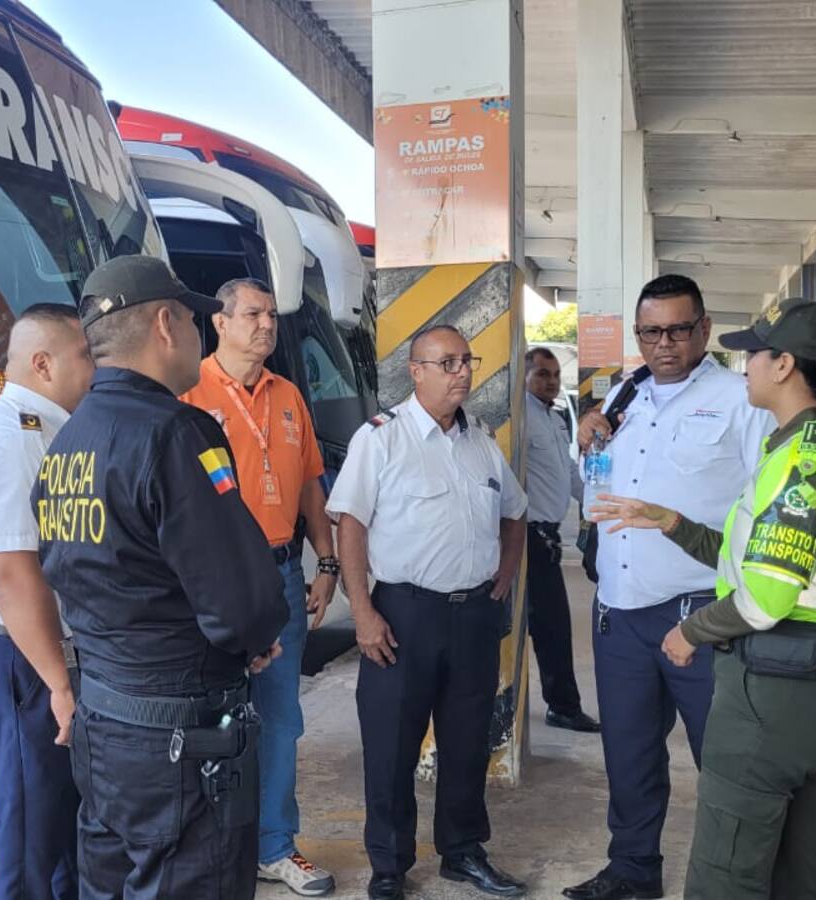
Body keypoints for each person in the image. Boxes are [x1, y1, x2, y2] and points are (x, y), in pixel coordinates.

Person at [590, 298, 816, 900]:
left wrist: (689, 631)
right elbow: (750, 558)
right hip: (810, 676)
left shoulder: (803, 462)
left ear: (783, 366)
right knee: (800, 870)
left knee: (725, 874)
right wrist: (670, 521)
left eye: (755, 353)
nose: (744, 363)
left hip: (776, 685)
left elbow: (765, 597)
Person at [34, 255, 290, 898]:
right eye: (198, 319)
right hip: (182, 743)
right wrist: (257, 635)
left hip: (105, 731)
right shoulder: (180, 433)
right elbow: (244, 603)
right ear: (168, 324)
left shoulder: (66, 443)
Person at [563, 275, 771, 900]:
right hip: (619, 614)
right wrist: (585, 442)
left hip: (701, 614)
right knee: (629, 755)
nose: (665, 344)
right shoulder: (623, 399)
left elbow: (764, 504)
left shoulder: (743, 401)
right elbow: (597, 486)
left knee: (728, 760)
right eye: (651, 332)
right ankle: (632, 870)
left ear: (704, 329)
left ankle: (741, 879)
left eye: (679, 329)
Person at [326, 324, 529, 900]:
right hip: (403, 615)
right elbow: (350, 524)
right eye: (447, 363)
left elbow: (514, 512)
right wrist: (362, 613)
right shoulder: (383, 438)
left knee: (467, 743)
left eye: (466, 360)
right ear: (415, 371)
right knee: (391, 745)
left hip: (473, 617)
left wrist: (505, 574)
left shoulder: (480, 440)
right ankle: (390, 865)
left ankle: (462, 852)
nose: (462, 371)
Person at [181, 277, 337, 895]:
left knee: (280, 717)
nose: (267, 324)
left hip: (280, 574)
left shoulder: (290, 396)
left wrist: (325, 565)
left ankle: (275, 846)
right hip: (212, 581)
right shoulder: (188, 393)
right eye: (253, 313)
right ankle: (214, 845)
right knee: (211, 715)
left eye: (271, 314)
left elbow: (310, 489)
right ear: (219, 323)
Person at [0, 304, 92, 900]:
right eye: (85, 355)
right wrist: (59, 682)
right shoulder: (13, 441)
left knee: (58, 829)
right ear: (43, 364)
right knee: (30, 832)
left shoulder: (48, 430)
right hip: (18, 657)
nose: (96, 367)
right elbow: (11, 573)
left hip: (32, 651)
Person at [523, 346, 598, 733]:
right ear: (524, 376)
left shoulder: (553, 419)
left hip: (548, 536)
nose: (551, 381)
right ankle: (563, 706)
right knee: (549, 625)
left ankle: (562, 704)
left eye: (554, 374)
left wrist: (600, 502)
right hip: (527, 538)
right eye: (542, 374)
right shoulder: (518, 417)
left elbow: (569, 473)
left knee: (553, 626)